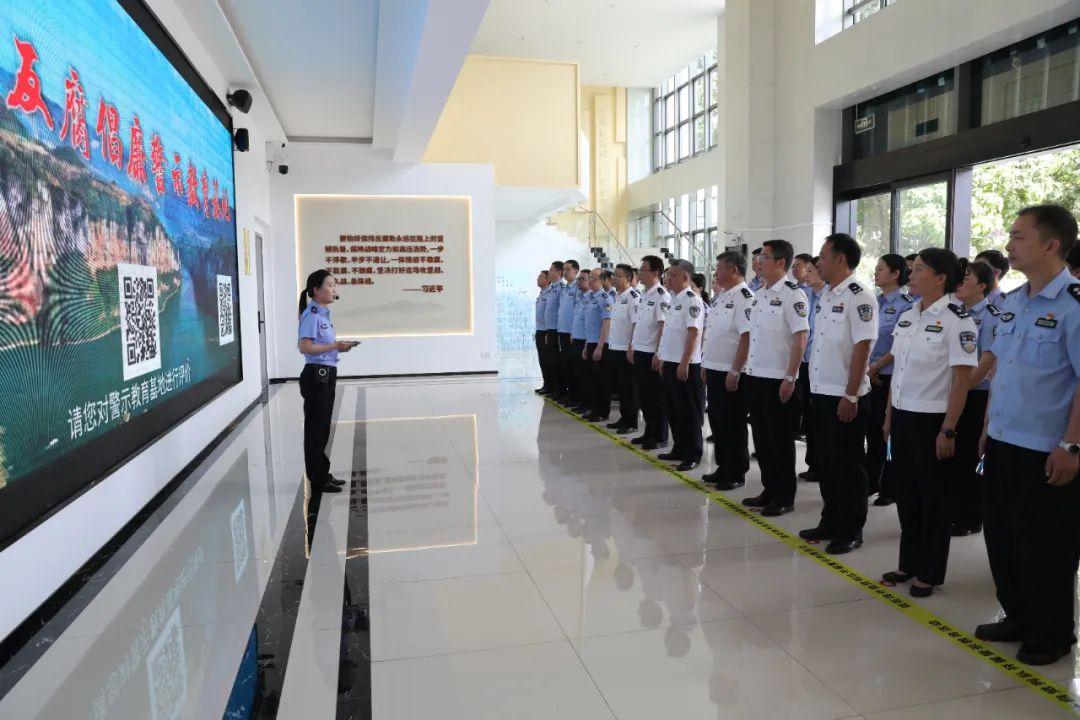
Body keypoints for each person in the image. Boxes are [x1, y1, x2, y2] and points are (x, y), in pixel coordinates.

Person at [975, 205, 1080, 666]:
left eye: (1019, 237)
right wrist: (987, 428)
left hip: (1046, 448)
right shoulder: (1014, 302)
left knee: (1046, 545)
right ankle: (1017, 616)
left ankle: (1052, 633)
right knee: (1003, 537)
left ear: (1051, 245)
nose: (1009, 245)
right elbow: (1002, 369)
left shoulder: (1074, 305)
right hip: (1003, 441)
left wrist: (1072, 446)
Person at [882, 248, 977, 598]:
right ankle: (908, 562)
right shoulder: (909, 315)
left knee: (932, 498)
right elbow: (899, 371)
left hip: (933, 420)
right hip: (903, 416)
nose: (912, 273)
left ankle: (930, 571)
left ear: (940, 278)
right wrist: (889, 416)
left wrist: (949, 428)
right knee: (907, 494)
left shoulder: (957, 320)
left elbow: (962, 381)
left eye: (920, 269)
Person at [800, 234, 878, 554]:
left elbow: (863, 347)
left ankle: (851, 528)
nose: (818, 262)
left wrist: (852, 395)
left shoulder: (860, 296)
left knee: (848, 464)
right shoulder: (828, 294)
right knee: (827, 462)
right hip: (821, 390)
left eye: (823, 256)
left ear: (841, 259)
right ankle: (831, 519)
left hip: (845, 395)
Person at [734, 239, 809, 517]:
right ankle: (769, 489)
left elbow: (800, 338)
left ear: (780, 262)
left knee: (780, 441)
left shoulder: (793, 295)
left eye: (764, 257)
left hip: (779, 379)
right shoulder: (760, 294)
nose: (758, 261)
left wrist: (790, 377)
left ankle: (784, 496)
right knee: (763, 439)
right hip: (756, 376)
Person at [949, 260, 999, 537]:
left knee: (970, 454)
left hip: (975, 394)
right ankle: (955, 509)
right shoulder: (956, 313)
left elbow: (987, 360)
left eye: (966, 278)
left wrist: (963, 387)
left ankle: (970, 516)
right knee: (954, 454)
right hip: (955, 392)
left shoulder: (990, 315)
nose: (960, 282)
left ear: (981, 286)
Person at [297, 270, 357, 494]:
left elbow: (321, 345)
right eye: (330, 285)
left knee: (322, 428)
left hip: (325, 374)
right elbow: (304, 347)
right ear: (316, 290)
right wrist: (334, 346)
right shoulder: (312, 315)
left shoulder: (322, 315)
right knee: (316, 430)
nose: (334, 290)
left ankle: (322, 473)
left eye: (334, 285)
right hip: (316, 376)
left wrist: (339, 347)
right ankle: (318, 479)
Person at [700, 251, 754, 488]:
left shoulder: (745, 298)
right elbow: (714, 334)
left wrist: (735, 370)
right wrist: (706, 364)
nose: (716, 273)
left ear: (733, 270)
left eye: (720, 268)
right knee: (718, 420)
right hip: (715, 368)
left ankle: (736, 472)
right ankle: (723, 467)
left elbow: (746, 337)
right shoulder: (722, 296)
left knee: (733, 423)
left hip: (731, 372)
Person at [865, 255, 914, 506]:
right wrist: (868, 369)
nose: (876, 272)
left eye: (881, 269)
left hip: (888, 376)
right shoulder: (873, 302)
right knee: (871, 432)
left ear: (895, 274)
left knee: (887, 432)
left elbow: (898, 345)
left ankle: (889, 487)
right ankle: (871, 480)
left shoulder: (906, 305)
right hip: (869, 376)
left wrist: (875, 367)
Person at [656, 259, 706, 471]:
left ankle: (693, 453)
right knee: (674, 409)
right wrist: (662, 357)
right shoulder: (675, 299)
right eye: (667, 275)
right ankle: (679, 448)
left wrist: (684, 362)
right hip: (671, 362)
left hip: (686, 365)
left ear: (685, 277)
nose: (668, 278)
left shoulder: (692, 301)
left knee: (689, 411)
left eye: (672, 275)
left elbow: (693, 334)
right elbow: (669, 332)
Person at [630, 255, 670, 450]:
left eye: (643, 270)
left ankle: (660, 435)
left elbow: (663, 326)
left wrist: (658, 353)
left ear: (655, 273)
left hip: (652, 353)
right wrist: (633, 346)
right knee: (645, 396)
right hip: (641, 350)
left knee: (656, 397)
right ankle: (649, 431)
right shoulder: (644, 294)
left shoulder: (662, 295)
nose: (640, 274)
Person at [797, 256, 827, 482]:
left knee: (820, 417)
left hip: (822, 366)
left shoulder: (830, 297)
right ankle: (813, 462)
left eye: (811, 270)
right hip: (805, 363)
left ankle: (821, 464)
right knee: (809, 416)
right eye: (805, 270)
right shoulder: (805, 295)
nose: (806, 275)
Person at [607, 264, 641, 433]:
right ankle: (624, 417)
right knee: (621, 387)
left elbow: (636, 324)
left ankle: (632, 422)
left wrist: (631, 347)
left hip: (626, 349)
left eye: (618, 276)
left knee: (629, 387)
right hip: (615, 347)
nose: (614, 278)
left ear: (628, 279)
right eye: (613, 275)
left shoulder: (633, 297)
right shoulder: (617, 296)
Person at [583, 270, 613, 421]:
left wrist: (600, 347)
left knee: (602, 379)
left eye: (593, 278)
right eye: (589, 278)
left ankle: (602, 411)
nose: (590, 281)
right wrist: (586, 346)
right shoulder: (590, 297)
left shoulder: (605, 298)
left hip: (601, 344)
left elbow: (606, 324)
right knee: (592, 379)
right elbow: (589, 325)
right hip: (591, 342)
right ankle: (594, 408)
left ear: (601, 280)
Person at [556, 259, 581, 401]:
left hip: (572, 333)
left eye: (568, 269)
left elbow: (577, 312)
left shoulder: (578, 288)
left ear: (576, 271)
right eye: (563, 270)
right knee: (565, 365)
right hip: (563, 331)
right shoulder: (565, 288)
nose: (565, 272)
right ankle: (569, 394)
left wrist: (573, 331)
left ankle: (575, 396)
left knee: (574, 366)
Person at [570, 271, 592, 415]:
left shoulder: (592, 298)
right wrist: (573, 333)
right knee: (578, 373)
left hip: (586, 341)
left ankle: (588, 404)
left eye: (582, 279)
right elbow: (577, 318)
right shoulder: (580, 297)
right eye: (578, 279)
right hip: (576, 339)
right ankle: (581, 401)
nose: (579, 281)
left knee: (586, 375)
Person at [543, 261, 567, 398]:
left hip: (558, 330)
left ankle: (561, 390)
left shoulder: (562, 287)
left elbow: (561, 310)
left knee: (558, 361)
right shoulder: (552, 288)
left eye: (551, 270)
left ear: (558, 272)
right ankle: (554, 388)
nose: (549, 272)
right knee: (551, 360)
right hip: (550, 329)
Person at [534, 270, 552, 394]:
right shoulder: (541, 294)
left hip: (546, 331)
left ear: (547, 280)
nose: (537, 279)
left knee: (548, 360)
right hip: (539, 330)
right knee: (542, 360)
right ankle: (546, 384)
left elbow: (550, 314)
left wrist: (547, 332)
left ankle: (551, 386)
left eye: (540, 277)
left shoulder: (550, 294)